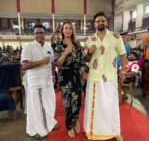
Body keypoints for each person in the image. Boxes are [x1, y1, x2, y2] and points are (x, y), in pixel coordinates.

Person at [83, 11, 126, 141]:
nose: (100, 23)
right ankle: (93, 131)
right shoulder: (90, 40)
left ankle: (114, 131)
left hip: (110, 77)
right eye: (98, 21)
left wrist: (123, 71)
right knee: (94, 106)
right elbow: (85, 59)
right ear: (94, 24)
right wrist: (89, 53)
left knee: (111, 105)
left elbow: (123, 54)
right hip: (94, 77)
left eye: (102, 21)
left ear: (106, 22)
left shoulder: (116, 37)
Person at [21, 24, 58, 139]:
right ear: (34, 34)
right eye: (37, 33)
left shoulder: (48, 47)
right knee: (36, 108)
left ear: (44, 34)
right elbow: (25, 66)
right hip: (36, 82)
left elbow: (51, 62)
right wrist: (41, 62)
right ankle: (35, 129)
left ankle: (49, 123)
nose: (39, 35)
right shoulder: (29, 47)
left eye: (41, 32)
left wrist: (53, 75)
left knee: (49, 104)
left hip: (48, 81)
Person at [53, 22, 85, 138]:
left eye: (70, 28)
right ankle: (69, 126)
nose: (68, 30)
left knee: (77, 103)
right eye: (66, 28)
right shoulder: (59, 45)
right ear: (62, 30)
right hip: (65, 77)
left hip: (77, 77)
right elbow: (58, 63)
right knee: (67, 104)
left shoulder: (77, 44)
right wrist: (66, 52)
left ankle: (75, 120)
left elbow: (82, 61)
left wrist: (82, 76)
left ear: (72, 31)